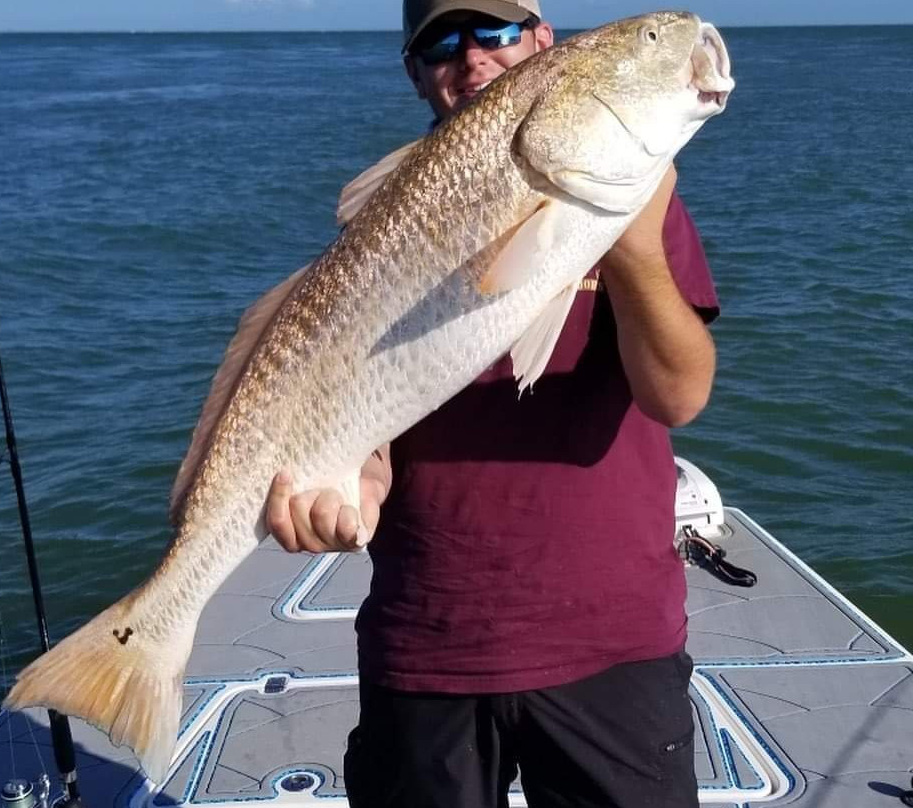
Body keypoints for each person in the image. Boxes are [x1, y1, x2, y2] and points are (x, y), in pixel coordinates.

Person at [265, 1, 719, 806]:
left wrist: (636, 246)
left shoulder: (635, 194)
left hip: (614, 645)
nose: (472, 59)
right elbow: (366, 394)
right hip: (425, 644)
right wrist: (357, 481)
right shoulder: (387, 226)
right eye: (442, 41)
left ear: (545, 45)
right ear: (416, 72)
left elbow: (679, 396)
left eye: (499, 32)